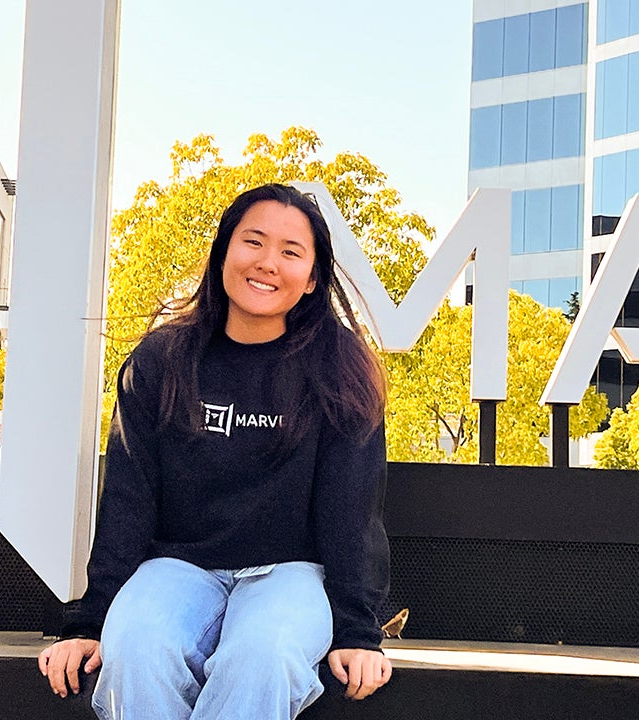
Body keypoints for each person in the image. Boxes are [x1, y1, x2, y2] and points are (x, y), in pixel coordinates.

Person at [37, 183, 392, 719]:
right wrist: (89, 622)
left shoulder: (339, 366)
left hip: (291, 573)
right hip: (177, 568)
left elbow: (351, 513)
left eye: (291, 252)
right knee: (134, 649)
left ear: (313, 277)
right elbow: (128, 502)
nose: (268, 263)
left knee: (261, 657)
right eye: (253, 242)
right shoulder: (161, 359)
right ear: (224, 250)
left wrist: (357, 633)